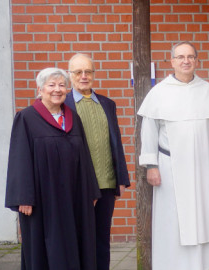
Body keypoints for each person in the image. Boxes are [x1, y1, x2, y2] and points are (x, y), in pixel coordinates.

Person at [138, 41, 209, 270]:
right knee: (173, 220)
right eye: (180, 57)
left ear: (196, 61)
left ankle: (204, 264)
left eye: (190, 57)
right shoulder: (159, 93)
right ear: (172, 61)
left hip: (202, 165)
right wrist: (151, 165)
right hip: (170, 166)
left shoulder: (208, 91)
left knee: (203, 216)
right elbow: (149, 131)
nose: (185, 61)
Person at [6, 67, 100, 269]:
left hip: (74, 195)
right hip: (42, 198)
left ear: (67, 90)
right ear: (40, 89)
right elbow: (19, 158)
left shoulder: (73, 118)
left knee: (76, 239)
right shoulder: (27, 118)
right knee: (45, 245)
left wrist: (90, 190)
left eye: (61, 85)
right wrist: (23, 197)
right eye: (51, 85)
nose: (57, 89)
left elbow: (85, 155)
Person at [64, 53, 131, 270]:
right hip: (76, 185)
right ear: (69, 75)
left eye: (88, 71)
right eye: (78, 72)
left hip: (106, 185)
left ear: (93, 74)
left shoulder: (107, 104)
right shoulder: (62, 104)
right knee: (76, 238)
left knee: (101, 238)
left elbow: (115, 143)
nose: (84, 76)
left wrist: (121, 177)